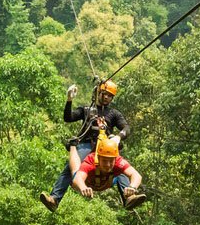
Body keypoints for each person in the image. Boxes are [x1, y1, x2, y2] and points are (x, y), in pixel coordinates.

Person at [40, 79, 136, 211]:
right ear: (98, 93)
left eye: (110, 96)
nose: (107, 97)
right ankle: (55, 199)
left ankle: (129, 198)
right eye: (105, 94)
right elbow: (68, 118)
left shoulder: (114, 114)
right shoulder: (87, 110)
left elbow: (126, 128)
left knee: (119, 167)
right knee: (70, 167)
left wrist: (118, 137)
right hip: (87, 144)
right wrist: (69, 101)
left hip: (105, 148)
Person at [71, 137, 146, 210]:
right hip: (88, 184)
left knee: (123, 170)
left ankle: (129, 197)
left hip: (108, 182)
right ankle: (72, 146)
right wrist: (83, 187)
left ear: (115, 159)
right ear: (99, 158)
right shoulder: (91, 160)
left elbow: (136, 175)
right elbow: (78, 178)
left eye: (111, 161)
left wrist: (132, 187)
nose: (107, 164)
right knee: (76, 172)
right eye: (104, 161)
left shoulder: (118, 161)